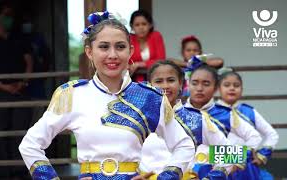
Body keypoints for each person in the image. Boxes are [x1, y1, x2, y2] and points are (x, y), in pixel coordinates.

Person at [19, 11, 195, 180]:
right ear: (89, 52)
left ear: (130, 51)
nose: (113, 55)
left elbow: (189, 146)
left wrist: (214, 171)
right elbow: (30, 144)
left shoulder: (152, 99)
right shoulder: (73, 95)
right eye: (103, 47)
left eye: (120, 47)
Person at [140, 60, 231, 179]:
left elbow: (231, 153)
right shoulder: (138, 117)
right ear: (149, 86)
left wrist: (212, 177)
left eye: (171, 80)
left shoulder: (196, 119)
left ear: (181, 84)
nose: (165, 86)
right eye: (158, 81)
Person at [0, 2, 33, 178]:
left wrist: (24, 81)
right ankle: (2, 172)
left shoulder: (19, 37)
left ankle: (19, 171)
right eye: (6, 15)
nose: (9, 20)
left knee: (21, 132)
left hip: (21, 90)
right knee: (0, 132)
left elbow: (29, 61)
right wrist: (3, 86)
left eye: (11, 16)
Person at [218, 71, 279, 179]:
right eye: (227, 85)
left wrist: (262, 155)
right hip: (219, 163)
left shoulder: (249, 111)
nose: (232, 88)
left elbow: (272, 134)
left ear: (242, 90)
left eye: (236, 85)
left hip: (246, 166)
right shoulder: (213, 111)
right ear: (218, 89)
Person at [128, 10, 166, 82]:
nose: (141, 27)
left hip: (155, 78)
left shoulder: (156, 36)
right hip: (133, 80)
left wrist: (139, 64)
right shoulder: (129, 39)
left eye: (144, 24)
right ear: (132, 27)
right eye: (137, 25)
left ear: (150, 25)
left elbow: (161, 60)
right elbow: (127, 61)